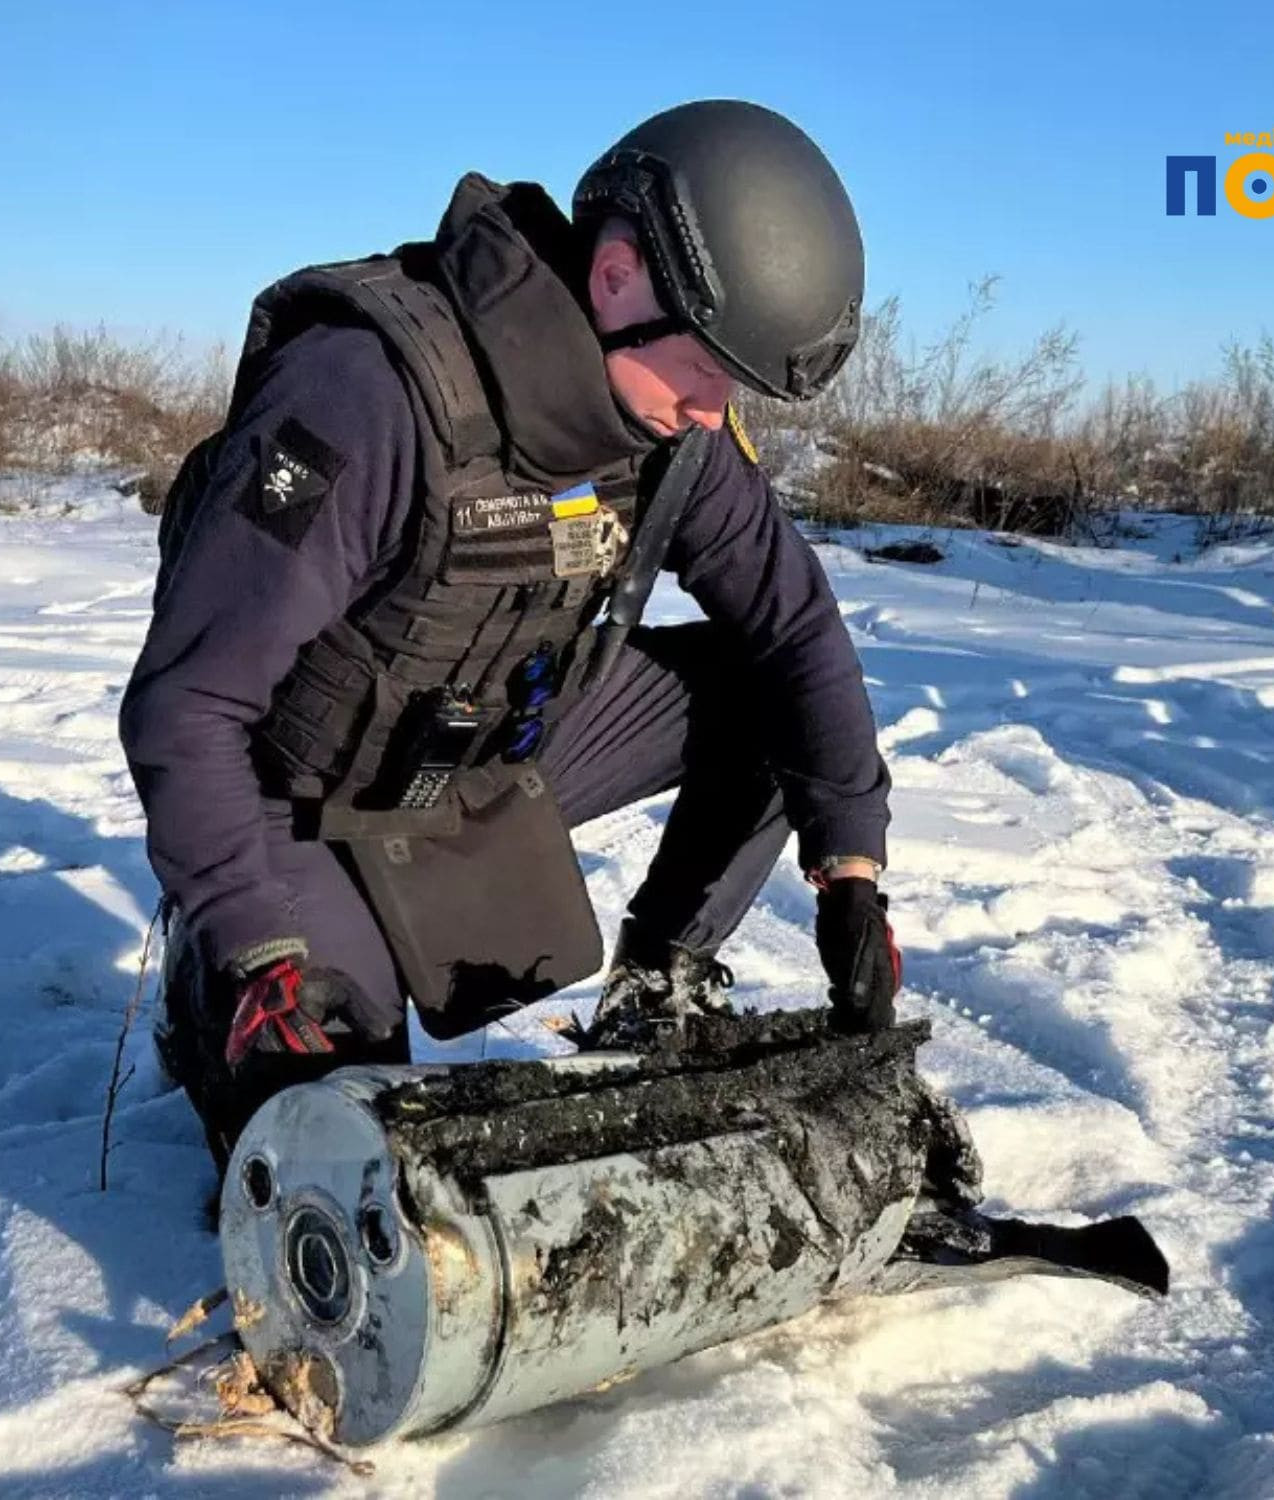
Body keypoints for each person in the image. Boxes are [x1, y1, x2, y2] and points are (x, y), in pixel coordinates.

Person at [119, 100, 902, 1168]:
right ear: (619, 273)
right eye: (708, 370)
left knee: (763, 697)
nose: (715, 413)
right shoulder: (366, 396)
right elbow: (188, 706)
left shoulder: (670, 427)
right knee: (355, 1158)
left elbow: (792, 622)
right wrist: (259, 946)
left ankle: (655, 994)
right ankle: (216, 979)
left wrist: (849, 865)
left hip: (489, 754)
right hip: (298, 797)